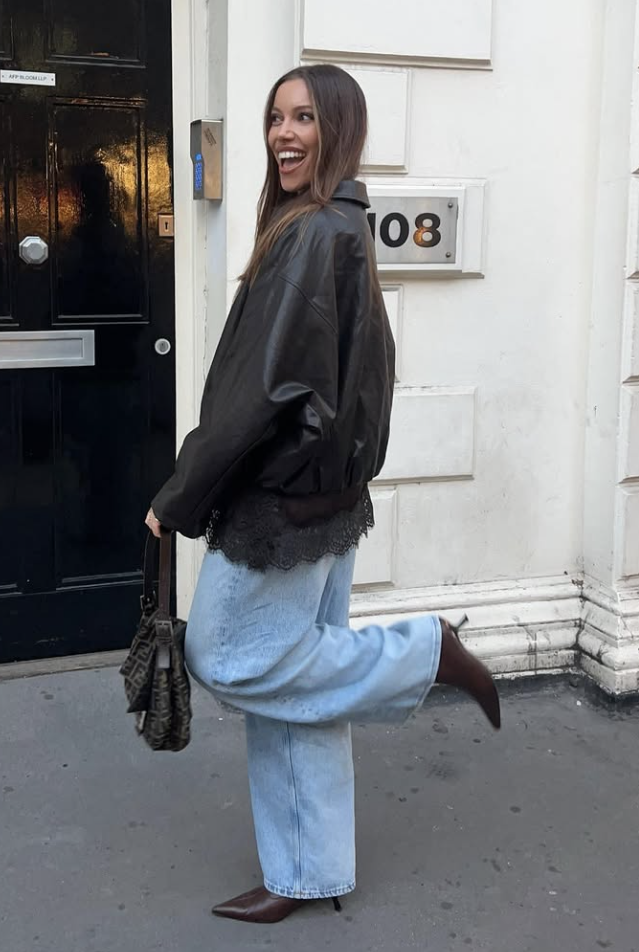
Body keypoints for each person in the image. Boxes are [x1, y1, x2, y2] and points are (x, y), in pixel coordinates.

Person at [145, 64, 500, 924]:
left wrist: (179, 497)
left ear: (339, 128)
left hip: (282, 506)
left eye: (303, 118)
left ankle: (426, 654)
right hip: (325, 498)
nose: (283, 134)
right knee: (300, 686)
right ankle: (308, 870)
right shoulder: (341, 228)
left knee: (229, 656)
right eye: (275, 118)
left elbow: (256, 394)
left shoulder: (309, 235)